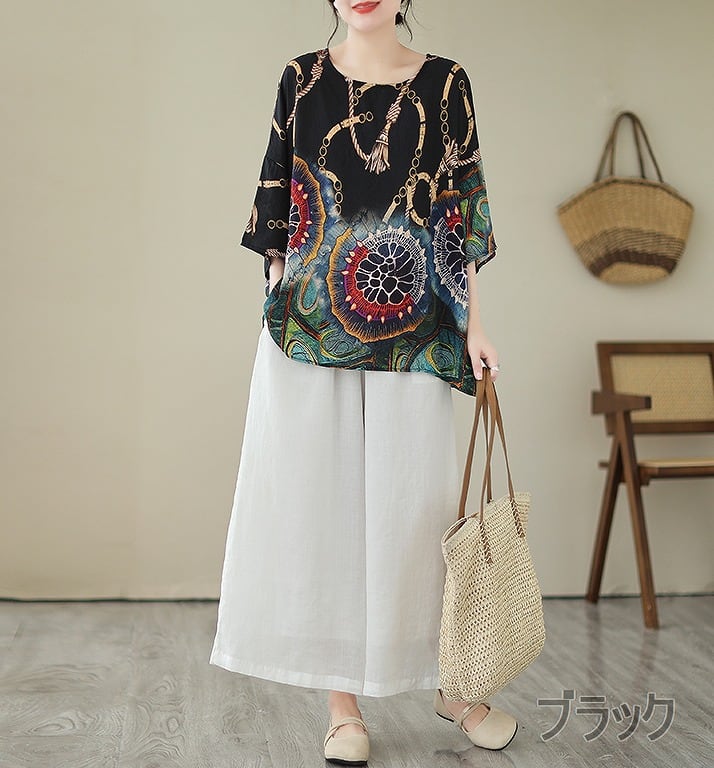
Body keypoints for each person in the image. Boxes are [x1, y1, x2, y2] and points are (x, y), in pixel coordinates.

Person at [210, 0, 518, 763]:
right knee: (322, 513)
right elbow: (275, 201)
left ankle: (450, 682)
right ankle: (342, 706)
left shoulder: (446, 83)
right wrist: (278, 294)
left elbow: (462, 211)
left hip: (417, 333)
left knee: (416, 516)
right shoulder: (301, 79)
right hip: (307, 335)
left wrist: (476, 325)